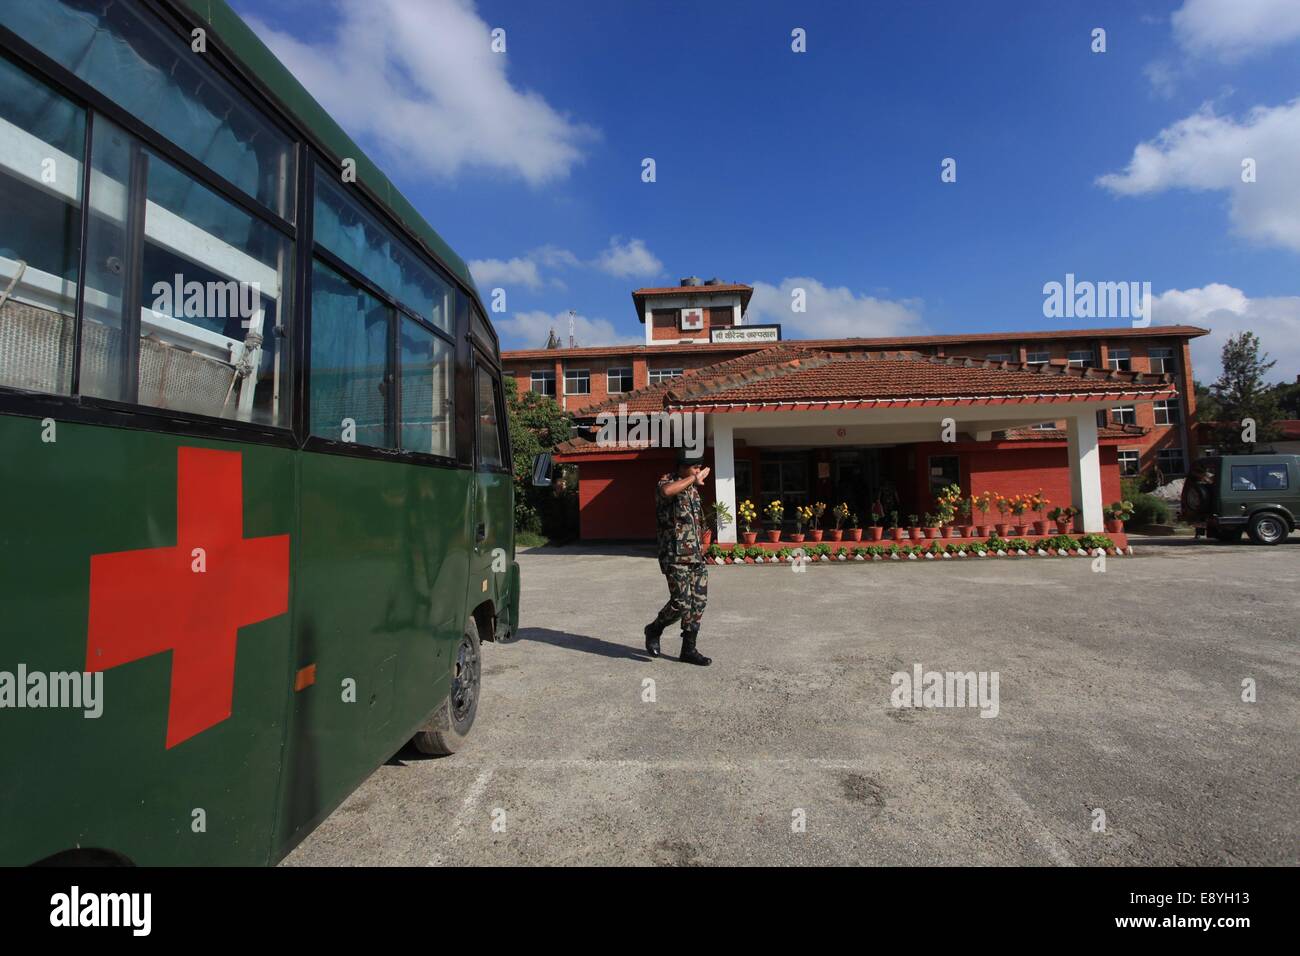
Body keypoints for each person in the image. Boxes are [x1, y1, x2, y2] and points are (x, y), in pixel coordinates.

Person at [644, 450, 712, 666]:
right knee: (681, 602)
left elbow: (698, 520)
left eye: (699, 468)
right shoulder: (667, 481)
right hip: (674, 555)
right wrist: (693, 479)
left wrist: (705, 540)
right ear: (683, 467)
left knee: (698, 602)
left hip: (695, 556)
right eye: (694, 468)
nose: (698, 472)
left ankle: (688, 649)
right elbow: (666, 492)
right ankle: (654, 629)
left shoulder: (692, 490)